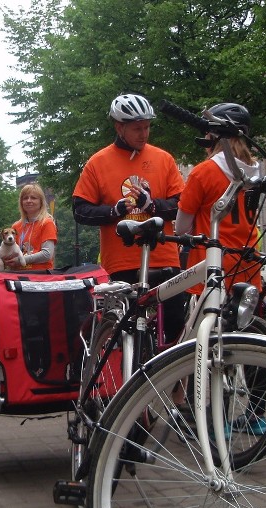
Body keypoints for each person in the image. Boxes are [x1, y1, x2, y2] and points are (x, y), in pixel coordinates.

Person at [73, 93, 186, 341]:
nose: (144, 134)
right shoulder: (98, 163)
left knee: (177, 326)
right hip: (122, 262)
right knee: (129, 333)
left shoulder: (163, 159)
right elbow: (80, 210)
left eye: (147, 127)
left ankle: (174, 378)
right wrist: (113, 211)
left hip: (164, 257)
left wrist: (152, 205)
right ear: (119, 127)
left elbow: (181, 204)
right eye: (137, 128)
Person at [174, 102, 263, 295]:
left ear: (214, 136)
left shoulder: (204, 172)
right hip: (247, 264)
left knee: (205, 324)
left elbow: (180, 228)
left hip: (212, 267)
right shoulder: (255, 174)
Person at [6, 183, 57, 270]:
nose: (29, 201)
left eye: (33, 198)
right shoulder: (16, 226)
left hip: (40, 276)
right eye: (25, 198)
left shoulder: (47, 223)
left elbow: (47, 254)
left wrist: (21, 260)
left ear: (41, 202)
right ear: (21, 202)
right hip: (18, 276)